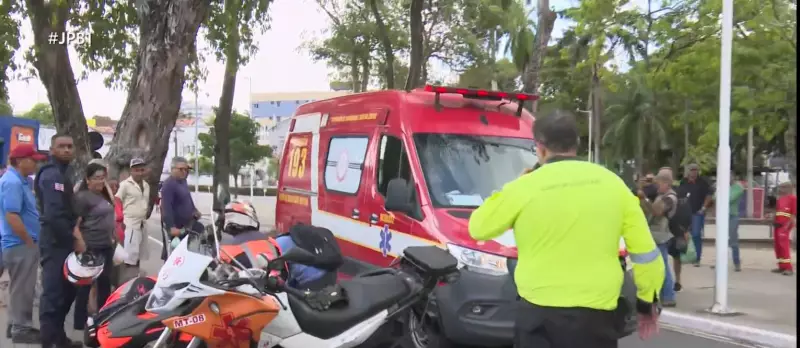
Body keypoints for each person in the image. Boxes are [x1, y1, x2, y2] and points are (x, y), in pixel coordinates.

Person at [468, 110, 664, 348]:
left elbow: (478, 227)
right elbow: (646, 254)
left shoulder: (525, 186)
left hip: (539, 314)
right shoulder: (613, 183)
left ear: (540, 148)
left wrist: (517, 184)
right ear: (576, 143)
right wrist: (646, 303)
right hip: (597, 316)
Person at [35, 133, 82, 348]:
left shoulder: (64, 173)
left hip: (63, 243)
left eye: (70, 146)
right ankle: (48, 341)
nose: (66, 150)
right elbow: (54, 215)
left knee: (66, 293)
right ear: (52, 150)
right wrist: (73, 238)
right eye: (61, 146)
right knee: (53, 296)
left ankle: (59, 338)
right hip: (55, 244)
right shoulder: (51, 174)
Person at [0, 144, 46, 343]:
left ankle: (15, 325)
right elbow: (12, 215)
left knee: (19, 287)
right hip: (20, 244)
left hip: (20, 244)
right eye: (32, 160)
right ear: (20, 161)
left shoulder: (20, 180)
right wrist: (28, 241)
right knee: (23, 289)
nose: (35, 163)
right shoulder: (12, 182)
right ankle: (21, 329)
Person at [72, 163, 118, 330]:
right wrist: (81, 244)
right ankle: (79, 322)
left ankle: (103, 317)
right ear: (88, 180)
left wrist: (113, 236)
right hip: (91, 246)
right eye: (96, 178)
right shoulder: (82, 198)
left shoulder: (104, 196)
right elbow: (75, 225)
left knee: (105, 283)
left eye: (102, 178)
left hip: (106, 245)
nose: (100, 181)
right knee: (85, 285)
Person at [638, 172, 678, 307]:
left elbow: (657, 212)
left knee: (663, 267)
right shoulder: (661, 196)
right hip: (656, 235)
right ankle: (663, 294)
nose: (656, 186)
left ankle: (668, 296)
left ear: (666, 183)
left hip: (661, 236)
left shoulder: (670, 198)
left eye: (658, 183)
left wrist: (645, 198)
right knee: (659, 266)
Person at [160, 157, 202, 260]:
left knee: (200, 234)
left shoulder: (183, 182)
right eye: (181, 169)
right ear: (172, 169)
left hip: (188, 224)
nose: (184, 172)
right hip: (177, 227)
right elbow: (166, 207)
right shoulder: (169, 185)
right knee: (174, 256)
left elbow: (187, 199)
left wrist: (194, 210)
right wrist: (171, 227)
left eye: (186, 169)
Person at [116, 158, 150, 282]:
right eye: (137, 170)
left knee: (139, 255)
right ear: (131, 171)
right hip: (130, 224)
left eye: (142, 170)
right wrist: (119, 219)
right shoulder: (125, 185)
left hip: (142, 224)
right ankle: (126, 283)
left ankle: (135, 281)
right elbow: (117, 200)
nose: (140, 173)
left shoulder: (146, 185)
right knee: (129, 256)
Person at [676, 163, 712, 267]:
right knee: (684, 234)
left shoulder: (703, 182)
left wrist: (703, 208)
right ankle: (685, 257)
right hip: (685, 213)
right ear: (688, 171)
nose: (693, 172)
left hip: (697, 213)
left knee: (696, 235)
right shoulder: (683, 182)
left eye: (695, 170)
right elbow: (679, 195)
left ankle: (697, 258)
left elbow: (709, 195)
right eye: (692, 170)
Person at [712, 173, 744, 272]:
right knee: (720, 239)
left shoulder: (738, 187)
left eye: (729, 177)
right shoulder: (722, 186)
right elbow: (714, 197)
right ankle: (719, 262)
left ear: (732, 177)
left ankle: (736, 262)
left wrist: (720, 192)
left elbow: (729, 198)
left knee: (733, 239)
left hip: (732, 215)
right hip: (722, 216)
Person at [772, 181, 795, 275]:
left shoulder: (793, 198)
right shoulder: (780, 199)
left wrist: (788, 225)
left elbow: (793, 214)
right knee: (778, 246)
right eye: (780, 187)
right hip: (778, 225)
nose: (780, 189)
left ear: (788, 188)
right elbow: (777, 211)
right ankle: (782, 266)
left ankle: (788, 268)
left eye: (783, 187)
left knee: (784, 246)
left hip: (785, 225)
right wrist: (773, 220)